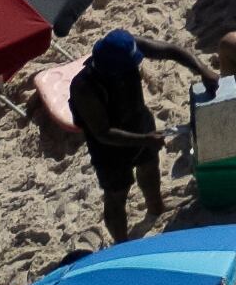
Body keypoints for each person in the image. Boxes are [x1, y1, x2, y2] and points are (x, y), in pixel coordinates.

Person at [75, 27, 209, 237]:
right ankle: (121, 243)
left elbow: (172, 51)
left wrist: (203, 70)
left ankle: (156, 208)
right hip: (108, 147)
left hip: (138, 120)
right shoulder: (84, 88)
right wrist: (144, 140)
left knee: (149, 167)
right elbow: (103, 132)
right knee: (116, 194)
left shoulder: (126, 46)